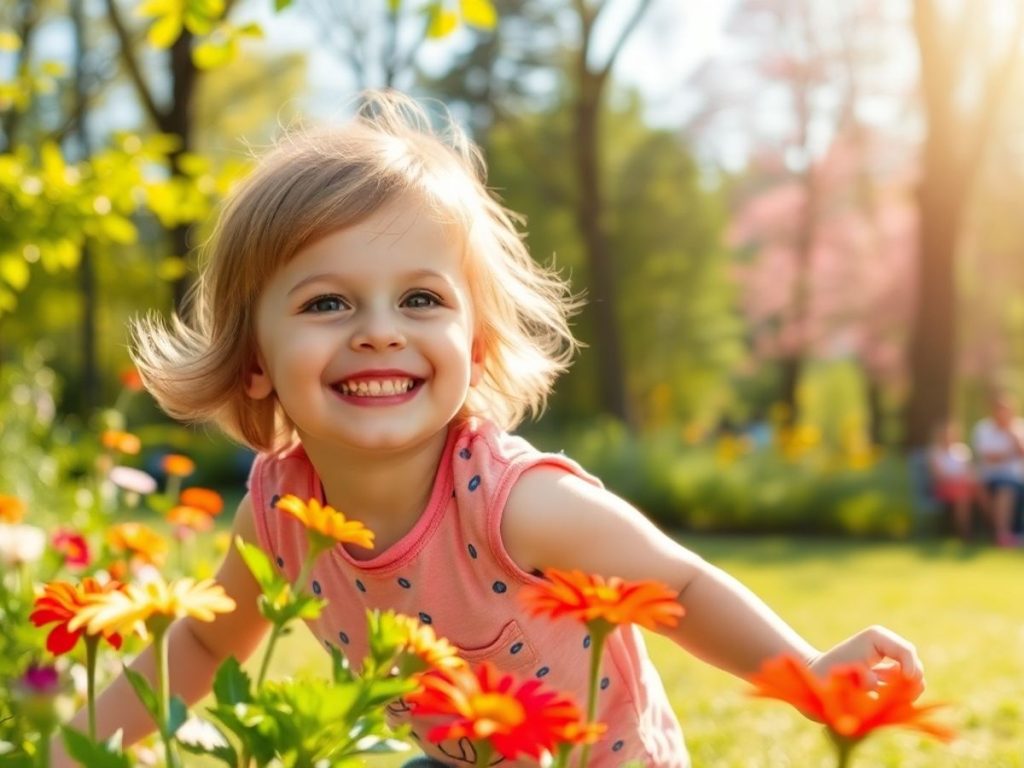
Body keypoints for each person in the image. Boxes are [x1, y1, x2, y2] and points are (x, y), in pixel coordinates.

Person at [54, 91, 924, 768]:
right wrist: (64, 750)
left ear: (470, 344)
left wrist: (806, 672)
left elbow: (679, 588)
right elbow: (206, 639)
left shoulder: (516, 504)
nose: (380, 330)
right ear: (254, 361)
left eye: (421, 299)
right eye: (327, 303)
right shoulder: (281, 512)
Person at [971, 391, 1024, 547]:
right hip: (990, 477)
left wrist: (1012, 435)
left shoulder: (1019, 427)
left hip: (1017, 477)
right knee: (1003, 488)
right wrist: (1010, 453)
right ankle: (1003, 534)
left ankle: (1007, 533)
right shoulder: (983, 428)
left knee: (1008, 486)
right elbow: (988, 457)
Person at [927, 420, 978, 540]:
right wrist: (958, 479)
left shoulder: (962, 449)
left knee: (980, 490)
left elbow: (970, 471)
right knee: (963, 495)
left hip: (965, 485)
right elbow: (938, 477)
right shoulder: (935, 452)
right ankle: (965, 532)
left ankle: (995, 527)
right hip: (944, 488)